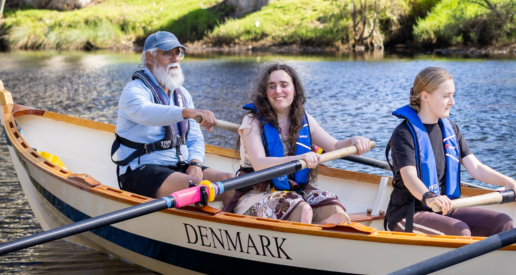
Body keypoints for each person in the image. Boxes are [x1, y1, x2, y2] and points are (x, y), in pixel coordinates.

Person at [385, 66, 516, 236]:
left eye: (452, 95)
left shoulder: (451, 129)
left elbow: (476, 167)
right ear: (425, 96)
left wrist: (508, 182)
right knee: (460, 231)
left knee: (503, 223)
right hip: (409, 214)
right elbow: (409, 177)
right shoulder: (404, 134)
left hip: (446, 208)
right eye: (446, 96)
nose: (452, 102)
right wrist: (429, 198)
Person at [232, 63, 374, 225]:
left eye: (284, 85)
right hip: (255, 193)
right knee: (302, 209)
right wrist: (300, 157)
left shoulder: (304, 119)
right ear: (265, 92)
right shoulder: (251, 121)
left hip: (293, 190)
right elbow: (259, 164)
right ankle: (305, 241)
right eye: (272, 86)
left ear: (295, 89)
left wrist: (354, 140)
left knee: (335, 210)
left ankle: (320, 240)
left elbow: (334, 146)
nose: (278, 91)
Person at [112, 31, 234, 198]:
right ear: (149, 57)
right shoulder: (133, 90)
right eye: (167, 53)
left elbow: (195, 138)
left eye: (177, 53)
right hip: (140, 171)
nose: (175, 58)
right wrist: (186, 112)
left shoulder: (182, 94)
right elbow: (148, 113)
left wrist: (195, 163)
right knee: (201, 190)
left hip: (179, 166)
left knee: (231, 182)